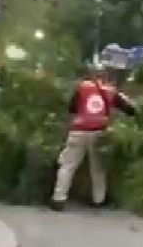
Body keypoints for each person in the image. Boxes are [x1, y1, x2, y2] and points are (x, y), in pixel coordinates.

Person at [51, 63, 136, 210]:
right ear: (106, 76)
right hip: (99, 133)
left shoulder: (82, 87)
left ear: (90, 74)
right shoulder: (111, 91)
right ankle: (98, 200)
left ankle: (58, 199)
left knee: (68, 165)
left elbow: (72, 108)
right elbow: (129, 109)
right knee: (98, 168)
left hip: (78, 130)